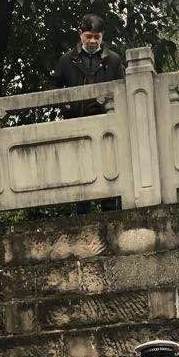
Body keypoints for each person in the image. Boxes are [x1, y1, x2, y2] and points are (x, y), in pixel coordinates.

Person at [55, 13, 124, 212]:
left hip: (107, 127)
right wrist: (66, 106)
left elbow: (123, 89)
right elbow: (53, 87)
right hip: (78, 127)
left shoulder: (113, 60)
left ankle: (111, 215)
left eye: (97, 37)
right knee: (83, 177)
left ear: (102, 36)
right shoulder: (67, 61)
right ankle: (83, 219)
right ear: (80, 35)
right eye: (89, 36)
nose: (93, 41)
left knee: (110, 174)